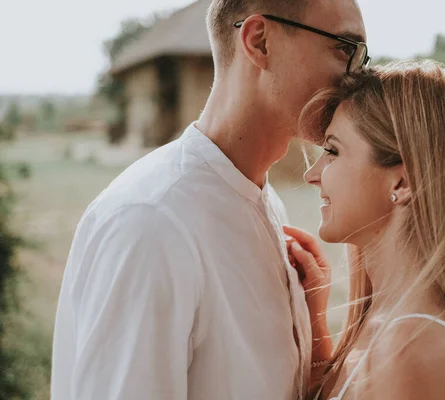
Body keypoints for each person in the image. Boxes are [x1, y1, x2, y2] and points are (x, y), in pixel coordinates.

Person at [51, 1, 367, 399]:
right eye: (344, 48)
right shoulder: (151, 223)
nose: (356, 78)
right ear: (260, 42)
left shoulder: (265, 204)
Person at [285, 60, 445, 400]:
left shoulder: (413, 348)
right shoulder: (388, 321)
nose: (311, 175)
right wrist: (314, 317)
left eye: (332, 151)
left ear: (402, 182)